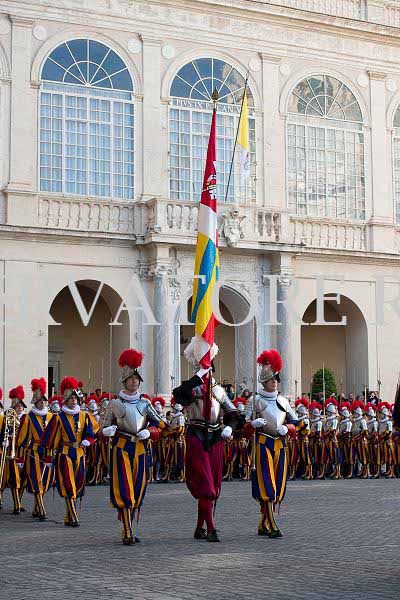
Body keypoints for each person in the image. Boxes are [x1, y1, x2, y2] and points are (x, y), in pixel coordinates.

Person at [172, 338, 240, 543]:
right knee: (205, 485)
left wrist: (229, 426)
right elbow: (178, 396)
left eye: (208, 366)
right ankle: (211, 528)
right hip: (196, 435)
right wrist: (197, 378)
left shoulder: (219, 390)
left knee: (213, 485)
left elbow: (234, 413)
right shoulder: (191, 388)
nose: (207, 369)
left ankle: (199, 527)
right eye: (203, 366)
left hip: (215, 437)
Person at [101, 349, 166, 545]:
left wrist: (151, 432)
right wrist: (106, 431)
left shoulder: (145, 403)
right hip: (122, 448)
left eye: (136, 378)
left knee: (138, 488)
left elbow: (162, 424)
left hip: (140, 449)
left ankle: (130, 526)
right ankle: (127, 529)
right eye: (130, 378)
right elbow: (101, 429)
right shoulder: (114, 403)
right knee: (125, 488)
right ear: (124, 381)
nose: (134, 381)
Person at [244, 349, 298, 538]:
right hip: (262, 443)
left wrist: (288, 428)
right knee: (267, 484)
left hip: (280, 445)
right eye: (271, 379)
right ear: (263, 381)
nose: (274, 381)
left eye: (276, 378)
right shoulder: (254, 400)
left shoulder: (283, 400)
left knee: (279, 485)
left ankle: (263, 522)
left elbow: (297, 423)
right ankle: (273, 524)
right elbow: (243, 427)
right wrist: (252, 424)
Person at [40, 376, 95, 527]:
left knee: (78, 484)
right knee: (68, 484)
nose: (74, 400)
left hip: (80, 453)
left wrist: (88, 440)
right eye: (71, 398)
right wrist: (48, 456)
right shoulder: (58, 417)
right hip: (65, 453)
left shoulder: (84, 415)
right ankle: (74, 516)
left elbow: (91, 434)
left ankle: (67, 515)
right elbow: (50, 438)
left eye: (75, 398)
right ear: (66, 400)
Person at [16, 378, 53, 520]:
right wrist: (21, 456)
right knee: (37, 480)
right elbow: (22, 439)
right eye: (39, 401)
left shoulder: (51, 416)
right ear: (35, 402)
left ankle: (36, 508)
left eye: (44, 400)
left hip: (48, 452)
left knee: (46, 481)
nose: (42, 402)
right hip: (34, 452)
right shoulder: (29, 418)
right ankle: (41, 509)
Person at [0, 386, 26, 514]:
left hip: (21, 451)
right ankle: (6, 500)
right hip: (8, 450)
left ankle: (18, 503)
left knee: (21, 479)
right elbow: (3, 431)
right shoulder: (7, 416)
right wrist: (3, 441)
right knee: (6, 477)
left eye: (21, 405)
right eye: (18, 405)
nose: (20, 407)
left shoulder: (26, 418)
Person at [322, 398, 341, 479]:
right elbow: (325, 429)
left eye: (328, 411)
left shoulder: (334, 420)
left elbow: (332, 431)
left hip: (332, 440)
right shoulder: (327, 420)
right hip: (327, 440)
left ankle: (338, 473)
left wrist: (326, 433)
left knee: (335, 456)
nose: (327, 412)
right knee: (328, 457)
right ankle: (330, 472)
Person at [295, 398, 312, 480]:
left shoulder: (305, 420)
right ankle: (303, 472)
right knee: (301, 457)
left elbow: (307, 432)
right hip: (300, 440)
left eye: (299, 413)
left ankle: (309, 473)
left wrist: (301, 430)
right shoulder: (299, 421)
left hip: (304, 440)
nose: (298, 414)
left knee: (306, 456)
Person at [351, 400, 369, 478]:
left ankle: (366, 472)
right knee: (358, 457)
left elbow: (365, 432)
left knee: (363, 456)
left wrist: (357, 437)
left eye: (355, 413)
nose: (354, 414)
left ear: (358, 413)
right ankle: (360, 471)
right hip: (355, 441)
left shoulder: (362, 420)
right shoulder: (354, 421)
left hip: (361, 441)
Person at [377, 401, 395, 478]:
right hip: (381, 442)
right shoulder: (380, 422)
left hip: (388, 441)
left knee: (390, 456)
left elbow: (390, 432)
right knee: (383, 456)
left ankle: (391, 471)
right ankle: (383, 471)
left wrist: (384, 436)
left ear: (384, 414)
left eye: (381, 413)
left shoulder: (389, 422)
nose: (380, 415)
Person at [338, 401, 353, 479]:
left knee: (348, 457)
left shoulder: (348, 423)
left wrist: (340, 435)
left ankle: (350, 472)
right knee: (342, 457)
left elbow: (347, 433)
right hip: (342, 442)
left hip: (347, 442)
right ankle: (343, 472)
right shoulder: (342, 422)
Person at [366, 402, 379, 478]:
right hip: (369, 441)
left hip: (374, 441)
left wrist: (370, 436)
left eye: (368, 415)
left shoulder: (374, 422)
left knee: (375, 456)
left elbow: (375, 432)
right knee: (370, 456)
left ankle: (376, 471)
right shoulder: (368, 423)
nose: (367, 416)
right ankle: (371, 471)